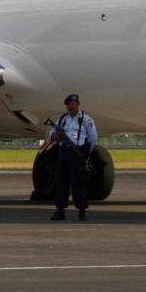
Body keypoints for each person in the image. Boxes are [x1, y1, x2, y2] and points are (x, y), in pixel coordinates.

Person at [48, 93, 98, 222]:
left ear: (78, 105)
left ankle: (82, 211)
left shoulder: (86, 119)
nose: (71, 107)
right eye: (69, 105)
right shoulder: (63, 119)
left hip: (78, 153)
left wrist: (86, 153)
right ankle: (60, 210)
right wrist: (55, 137)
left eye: (73, 104)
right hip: (64, 152)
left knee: (78, 183)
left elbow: (93, 138)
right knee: (61, 182)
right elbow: (52, 133)